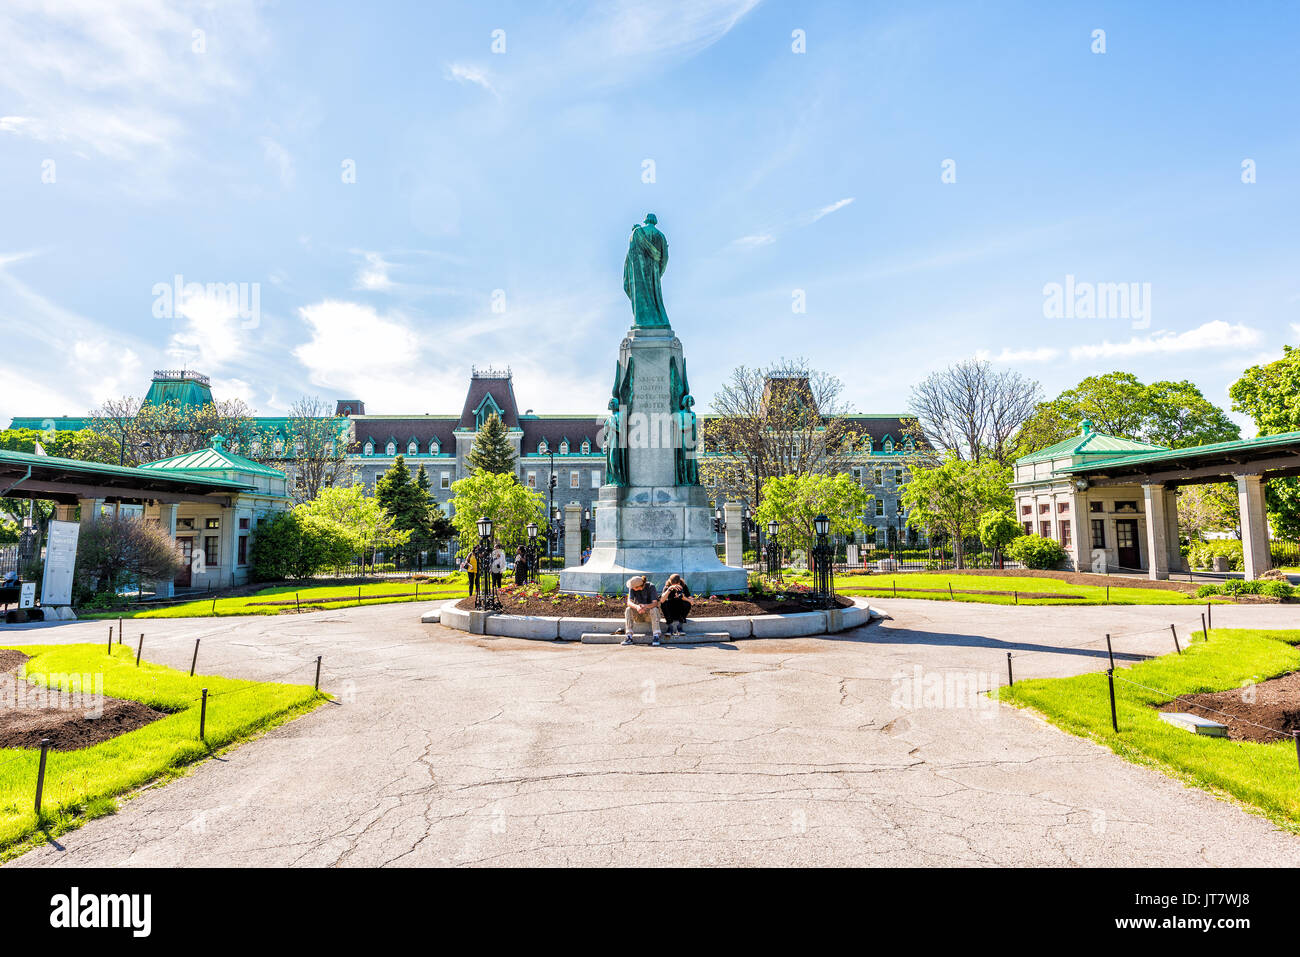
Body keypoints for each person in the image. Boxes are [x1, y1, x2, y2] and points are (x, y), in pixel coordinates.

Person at [620, 575, 663, 646]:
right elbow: (629, 602)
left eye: (633, 587)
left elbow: (655, 603)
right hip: (639, 613)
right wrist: (637, 607)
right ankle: (629, 636)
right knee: (628, 609)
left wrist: (645, 606)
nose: (631, 588)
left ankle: (656, 636)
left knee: (654, 609)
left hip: (650, 614)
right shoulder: (632, 587)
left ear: (639, 587)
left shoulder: (651, 586)